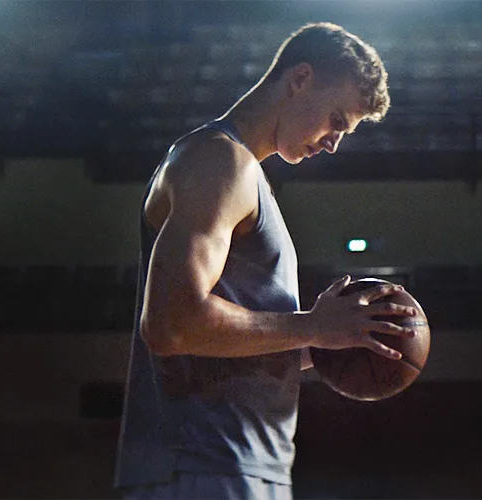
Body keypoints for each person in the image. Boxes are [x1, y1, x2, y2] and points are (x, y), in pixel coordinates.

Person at [113, 22, 418, 499]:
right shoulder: (217, 162)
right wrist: (313, 328)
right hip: (203, 467)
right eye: (337, 119)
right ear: (300, 79)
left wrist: (336, 340)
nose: (334, 142)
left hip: (238, 466)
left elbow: (225, 344)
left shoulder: (247, 179)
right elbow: (171, 325)